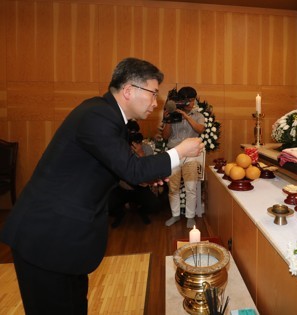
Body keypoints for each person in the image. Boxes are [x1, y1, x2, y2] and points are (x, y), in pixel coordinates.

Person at [0, 57, 204, 314]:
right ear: (129, 90)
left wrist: (144, 176)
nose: (156, 102)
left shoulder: (110, 117)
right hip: (47, 237)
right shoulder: (97, 115)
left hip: (65, 239)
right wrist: (180, 151)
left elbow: (120, 167)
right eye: (153, 94)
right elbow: (131, 167)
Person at [161, 87, 205, 228]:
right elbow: (165, 136)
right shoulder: (172, 115)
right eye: (189, 100)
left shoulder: (198, 115)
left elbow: (200, 129)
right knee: (173, 187)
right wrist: (168, 119)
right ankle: (175, 215)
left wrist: (186, 116)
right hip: (173, 154)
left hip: (191, 155)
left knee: (191, 187)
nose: (191, 103)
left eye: (193, 100)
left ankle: (190, 216)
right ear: (182, 101)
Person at [108, 120, 161, 227]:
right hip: (123, 187)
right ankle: (120, 212)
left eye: (135, 132)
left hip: (140, 187)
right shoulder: (120, 148)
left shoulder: (146, 148)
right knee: (106, 205)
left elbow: (150, 170)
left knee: (155, 205)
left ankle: (141, 210)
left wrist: (141, 153)